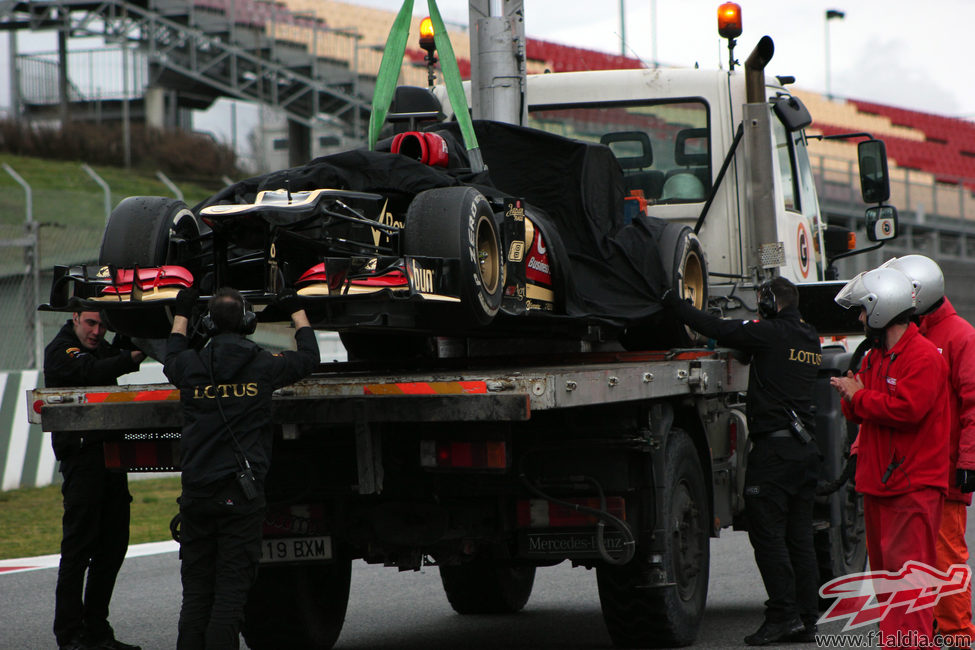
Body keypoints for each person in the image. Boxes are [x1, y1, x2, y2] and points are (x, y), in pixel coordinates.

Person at [665, 276, 822, 646]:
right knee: (800, 538)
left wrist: (676, 305)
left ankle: (782, 616)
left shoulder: (769, 332)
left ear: (770, 302)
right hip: (804, 452)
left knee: (768, 536)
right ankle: (806, 618)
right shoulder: (808, 335)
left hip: (775, 453)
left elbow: (717, 328)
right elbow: (765, 356)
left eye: (760, 300)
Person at [164, 286, 319, 650]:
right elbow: (310, 358)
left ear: (209, 324)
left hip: (197, 495)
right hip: (239, 497)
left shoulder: (190, 365)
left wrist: (182, 313)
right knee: (229, 600)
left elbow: (172, 354)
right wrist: (296, 311)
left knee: (196, 596)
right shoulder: (263, 364)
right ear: (248, 323)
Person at [831, 267, 950, 649]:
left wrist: (858, 396)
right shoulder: (876, 356)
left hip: (911, 486)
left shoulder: (923, 357)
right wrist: (853, 397)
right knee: (888, 586)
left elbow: (907, 410)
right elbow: (861, 412)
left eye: (864, 311)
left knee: (908, 586)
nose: (861, 319)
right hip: (881, 483)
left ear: (883, 309)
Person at [881, 256, 975, 648]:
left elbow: (973, 405)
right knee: (911, 562)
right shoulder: (907, 337)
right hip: (911, 472)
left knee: (945, 559)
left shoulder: (959, 336)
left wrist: (967, 462)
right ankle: (928, 631)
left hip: (943, 473)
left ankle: (956, 636)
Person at [44, 310, 146, 650]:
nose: (96, 331)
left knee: (114, 546)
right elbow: (91, 369)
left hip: (111, 457)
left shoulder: (99, 346)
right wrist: (130, 359)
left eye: (103, 325)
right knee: (78, 548)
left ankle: (98, 630)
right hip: (82, 459)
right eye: (90, 323)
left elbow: (113, 354)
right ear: (75, 318)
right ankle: (71, 634)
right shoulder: (62, 350)